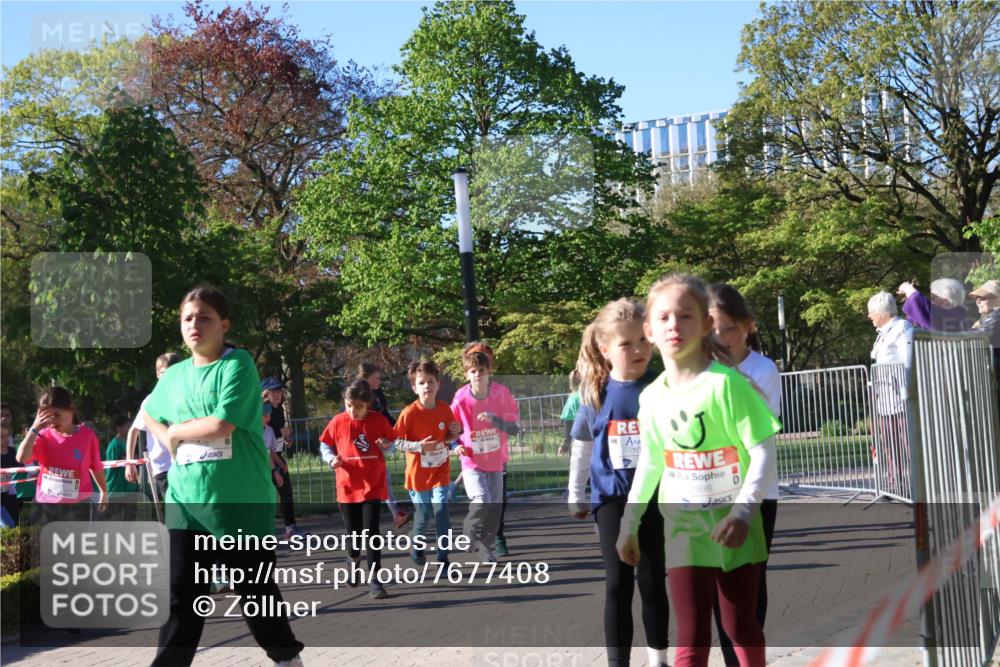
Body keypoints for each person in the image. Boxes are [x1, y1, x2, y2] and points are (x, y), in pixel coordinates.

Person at [617, 274, 781, 667]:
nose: (674, 324)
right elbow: (651, 462)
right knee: (691, 636)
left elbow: (762, 451)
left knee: (740, 626)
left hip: (735, 525)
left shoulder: (728, 385)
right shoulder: (652, 397)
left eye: (686, 315)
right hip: (684, 528)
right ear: (649, 330)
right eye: (664, 317)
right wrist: (629, 523)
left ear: (706, 324)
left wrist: (743, 512)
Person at [141, 286, 304, 667]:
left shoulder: (237, 364)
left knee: (254, 592)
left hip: (238, 503)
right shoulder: (174, 374)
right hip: (186, 503)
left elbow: (221, 424)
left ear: (224, 324)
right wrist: (165, 436)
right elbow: (150, 410)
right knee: (181, 595)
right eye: (187, 318)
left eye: (204, 317)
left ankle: (286, 658)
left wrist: (176, 432)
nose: (194, 324)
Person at [570, 299, 669, 667]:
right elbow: (582, 447)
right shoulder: (595, 393)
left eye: (643, 340)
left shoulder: (662, 386)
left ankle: (659, 658)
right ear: (605, 348)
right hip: (611, 498)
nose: (638, 350)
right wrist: (574, 492)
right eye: (626, 343)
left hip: (656, 497)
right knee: (618, 583)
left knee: (653, 582)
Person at [708, 283, 782, 667]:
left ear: (747, 326)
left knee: (752, 579)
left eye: (728, 328)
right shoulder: (700, 371)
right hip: (713, 489)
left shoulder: (763, 369)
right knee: (718, 580)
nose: (720, 338)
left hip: (757, 493)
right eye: (712, 329)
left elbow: (763, 425)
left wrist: (731, 379)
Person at [318, 379, 397, 599]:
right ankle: (352, 559)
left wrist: (387, 446)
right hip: (347, 486)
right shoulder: (338, 421)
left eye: (359, 406)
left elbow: (392, 445)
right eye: (349, 405)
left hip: (372, 486)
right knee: (353, 535)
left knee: (371, 532)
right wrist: (331, 459)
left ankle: (375, 580)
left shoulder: (378, 420)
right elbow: (325, 444)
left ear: (368, 404)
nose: (353, 410)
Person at [451, 343, 519, 562]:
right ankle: (469, 530)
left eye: (481, 370)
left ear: (489, 371)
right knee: (481, 499)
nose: (477, 375)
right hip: (471, 460)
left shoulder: (501, 394)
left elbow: (514, 427)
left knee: (495, 507)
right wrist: (455, 444)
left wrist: (495, 419)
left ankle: (486, 546)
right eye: (473, 371)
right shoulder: (461, 399)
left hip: (495, 459)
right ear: (466, 374)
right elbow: (450, 428)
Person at [393, 359, 463, 566]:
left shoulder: (445, 409)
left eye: (431, 381)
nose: (427, 386)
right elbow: (395, 442)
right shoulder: (409, 413)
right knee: (423, 516)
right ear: (415, 388)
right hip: (418, 475)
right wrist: (419, 447)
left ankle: (443, 559)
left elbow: (449, 437)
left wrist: (455, 434)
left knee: (441, 512)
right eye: (422, 383)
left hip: (440, 471)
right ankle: (416, 544)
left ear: (438, 384)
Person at [16, 386, 108, 520]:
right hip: (48, 505)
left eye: (57, 415)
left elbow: (96, 466)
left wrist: (103, 492)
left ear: (71, 409)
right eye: (47, 417)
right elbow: (21, 457)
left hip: (78, 506)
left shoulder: (88, 436)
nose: (52, 421)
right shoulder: (43, 436)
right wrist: (34, 429)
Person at [867, 290, 915, 495]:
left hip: (902, 400)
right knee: (889, 445)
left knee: (909, 445)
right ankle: (896, 486)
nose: (869, 316)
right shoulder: (881, 335)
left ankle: (919, 487)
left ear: (882, 312)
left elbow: (908, 361)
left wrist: (907, 392)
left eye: (871, 312)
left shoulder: (902, 327)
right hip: (885, 401)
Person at [358, 362, 412, 530]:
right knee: (369, 482)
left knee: (383, 478)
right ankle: (354, 513)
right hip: (363, 443)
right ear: (366, 379)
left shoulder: (378, 393)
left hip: (379, 442)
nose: (379, 381)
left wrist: (397, 430)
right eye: (376, 378)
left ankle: (396, 513)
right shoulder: (358, 395)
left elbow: (385, 415)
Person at [126, 352, 182, 505]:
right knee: (176, 507)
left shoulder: (186, 397)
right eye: (164, 373)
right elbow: (133, 431)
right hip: (164, 466)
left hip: (186, 462)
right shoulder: (151, 401)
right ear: (158, 374)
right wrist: (130, 463)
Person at [261, 378, 305, 539]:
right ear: (265, 394)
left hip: (277, 454)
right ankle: (261, 530)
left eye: (279, 391)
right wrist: (281, 432)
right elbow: (263, 431)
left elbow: (277, 433)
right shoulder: (261, 410)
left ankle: (290, 528)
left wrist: (285, 438)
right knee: (265, 496)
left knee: (286, 492)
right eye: (273, 392)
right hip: (264, 457)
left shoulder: (279, 409)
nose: (277, 394)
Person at [898, 278, 972, 332]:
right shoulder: (960, 314)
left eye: (933, 298)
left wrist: (907, 288)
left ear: (946, 301)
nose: (931, 302)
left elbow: (916, 300)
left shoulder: (947, 317)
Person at [970, 279, 1000, 384]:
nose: (978, 301)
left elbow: (974, 336)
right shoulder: (989, 317)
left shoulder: (996, 317)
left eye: (983, 298)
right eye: (978, 298)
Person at [558, 369, 582, 456]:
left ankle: (565, 452)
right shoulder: (576, 395)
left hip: (569, 418)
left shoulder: (576, 394)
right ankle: (562, 452)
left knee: (571, 440)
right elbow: (575, 411)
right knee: (568, 440)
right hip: (568, 419)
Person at [1, 423, 21, 527]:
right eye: (1, 437)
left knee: (14, 523)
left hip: (12, 496)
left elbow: (21, 468)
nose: (6, 440)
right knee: (6, 525)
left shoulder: (12, 452)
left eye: (7, 436)